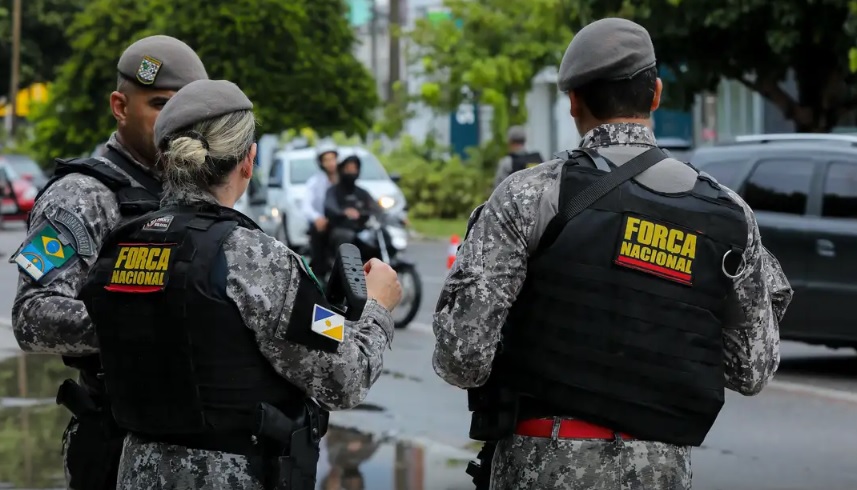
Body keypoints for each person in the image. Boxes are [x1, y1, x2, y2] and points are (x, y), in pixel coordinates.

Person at [432, 17, 793, 490]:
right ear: (657, 94)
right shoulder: (728, 214)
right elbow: (751, 370)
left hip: (542, 464)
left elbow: (462, 357)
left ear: (573, 100)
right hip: (660, 470)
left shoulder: (529, 196)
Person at [78, 79, 402, 490]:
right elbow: (343, 378)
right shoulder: (254, 257)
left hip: (135, 471)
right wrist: (376, 307)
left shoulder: (120, 243)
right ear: (247, 162)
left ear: (166, 160)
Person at [9, 35, 208, 490]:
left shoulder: (196, 189)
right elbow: (32, 315)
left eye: (188, 111)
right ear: (120, 106)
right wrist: (148, 321)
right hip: (120, 443)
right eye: (161, 105)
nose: (176, 123)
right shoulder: (82, 197)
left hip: (195, 446)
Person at [324, 154, 383, 261]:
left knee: (381, 236)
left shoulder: (362, 192)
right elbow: (330, 207)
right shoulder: (333, 191)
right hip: (341, 229)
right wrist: (344, 212)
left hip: (362, 230)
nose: (351, 172)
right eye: (348, 169)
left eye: (354, 169)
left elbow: (376, 209)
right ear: (342, 170)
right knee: (345, 237)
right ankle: (343, 272)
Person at [302, 144, 339, 276]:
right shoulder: (315, 182)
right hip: (322, 223)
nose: (330, 163)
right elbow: (306, 206)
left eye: (333, 159)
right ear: (321, 163)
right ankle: (320, 274)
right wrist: (317, 218)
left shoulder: (344, 180)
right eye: (326, 160)